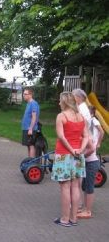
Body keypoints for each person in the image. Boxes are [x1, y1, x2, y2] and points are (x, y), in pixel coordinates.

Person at [51, 92, 88, 227]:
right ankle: (74, 218)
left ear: (65, 102)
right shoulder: (80, 117)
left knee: (65, 187)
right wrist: (80, 150)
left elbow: (61, 137)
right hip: (78, 156)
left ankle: (65, 219)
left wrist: (71, 150)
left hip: (63, 155)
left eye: (60, 101)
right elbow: (86, 137)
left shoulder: (61, 116)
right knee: (76, 186)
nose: (59, 103)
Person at [78, 106, 104, 219]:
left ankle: (87, 211)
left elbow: (101, 132)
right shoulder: (86, 129)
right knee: (85, 186)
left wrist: (98, 143)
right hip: (88, 161)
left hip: (91, 162)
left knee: (89, 187)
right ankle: (84, 207)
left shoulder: (94, 121)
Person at [21, 87, 40, 158]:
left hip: (30, 129)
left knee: (31, 145)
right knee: (28, 145)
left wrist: (31, 128)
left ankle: (32, 163)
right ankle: (29, 161)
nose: (24, 95)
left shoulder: (33, 104)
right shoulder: (28, 103)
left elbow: (34, 117)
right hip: (26, 128)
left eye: (25, 94)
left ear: (30, 95)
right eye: (23, 94)